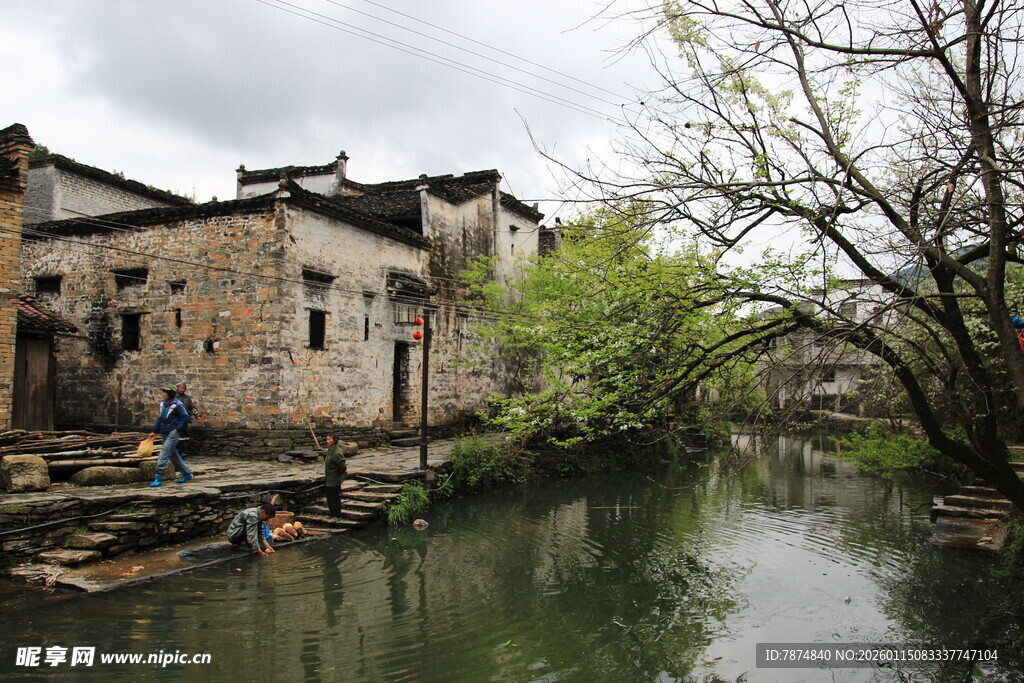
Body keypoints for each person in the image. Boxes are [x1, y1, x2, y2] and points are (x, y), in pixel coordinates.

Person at [148, 384, 193, 487]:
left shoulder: (177, 404)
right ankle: (186, 473)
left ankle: (159, 476)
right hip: (164, 430)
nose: (163, 394)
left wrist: (178, 428)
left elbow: (185, 417)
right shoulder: (163, 404)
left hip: (173, 431)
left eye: (165, 392)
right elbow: (160, 419)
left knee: (164, 453)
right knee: (173, 455)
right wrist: (154, 431)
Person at [323, 433, 348, 517]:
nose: (327, 441)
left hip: (334, 480)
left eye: (329, 439)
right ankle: (332, 514)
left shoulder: (337, 453)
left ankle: (336, 515)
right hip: (329, 479)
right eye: (327, 439)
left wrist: (341, 472)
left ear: (335, 440)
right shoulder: (331, 450)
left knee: (334, 499)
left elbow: (342, 466)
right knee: (330, 498)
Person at [175, 383, 196, 458]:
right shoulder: (174, 397)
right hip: (175, 420)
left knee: (181, 436)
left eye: (183, 388)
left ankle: (180, 452)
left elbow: (192, 407)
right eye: (180, 388)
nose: (182, 389)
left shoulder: (187, 398)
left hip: (184, 420)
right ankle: (175, 452)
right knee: (175, 436)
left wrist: (197, 415)